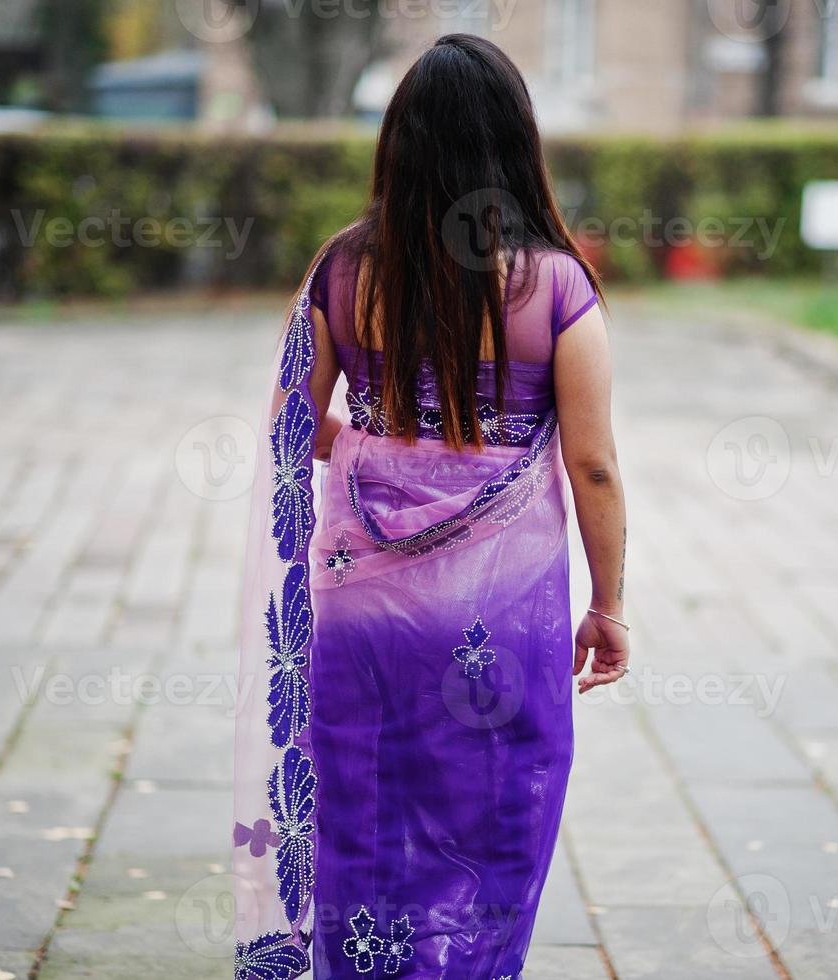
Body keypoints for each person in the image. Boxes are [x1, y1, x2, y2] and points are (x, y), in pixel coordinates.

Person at [233, 33, 629, 980]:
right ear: (513, 144)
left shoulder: (341, 270)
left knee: (360, 813)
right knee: (494, 813)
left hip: (358, 607)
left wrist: (376, 444)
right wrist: (609, 606)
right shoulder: (555, 287)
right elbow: (594, 467)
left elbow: (294, 422)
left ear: (398, 144)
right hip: (499, 615)